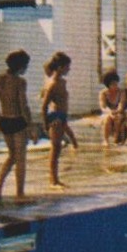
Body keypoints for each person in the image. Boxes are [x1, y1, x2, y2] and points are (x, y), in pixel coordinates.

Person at [0, 49, 33, 202]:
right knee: (20, 159)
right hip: (18, 121)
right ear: (21, 66)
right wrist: (30, 126)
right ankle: (20, 194)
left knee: (11, 156)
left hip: (5, 120)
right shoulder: (20, 82)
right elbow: (23, 105)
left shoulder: (0, 79)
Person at [39, 51, 78, 190]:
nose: (69, 69)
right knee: (55, 150)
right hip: (54, 117)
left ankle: (55, 179)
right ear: (60, 67)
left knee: (58, 149)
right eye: (67, 67)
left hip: (61, 116)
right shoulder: (53, 84)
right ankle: (53, 180)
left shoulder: (62, 82)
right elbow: (44, 106)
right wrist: (45, 124)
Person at [98, 69, 127, 146]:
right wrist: (110, 113)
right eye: (113, 84)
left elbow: (121, 104)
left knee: (118, 118)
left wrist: (117, 111)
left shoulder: (121, 92)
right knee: (107, 119)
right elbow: (103, 107)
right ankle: (106, 140)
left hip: (119, 112)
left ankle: (116, 138)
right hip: (107, 112)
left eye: (116, 83)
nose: (115, 85)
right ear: (108, 84)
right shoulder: (103, 93)